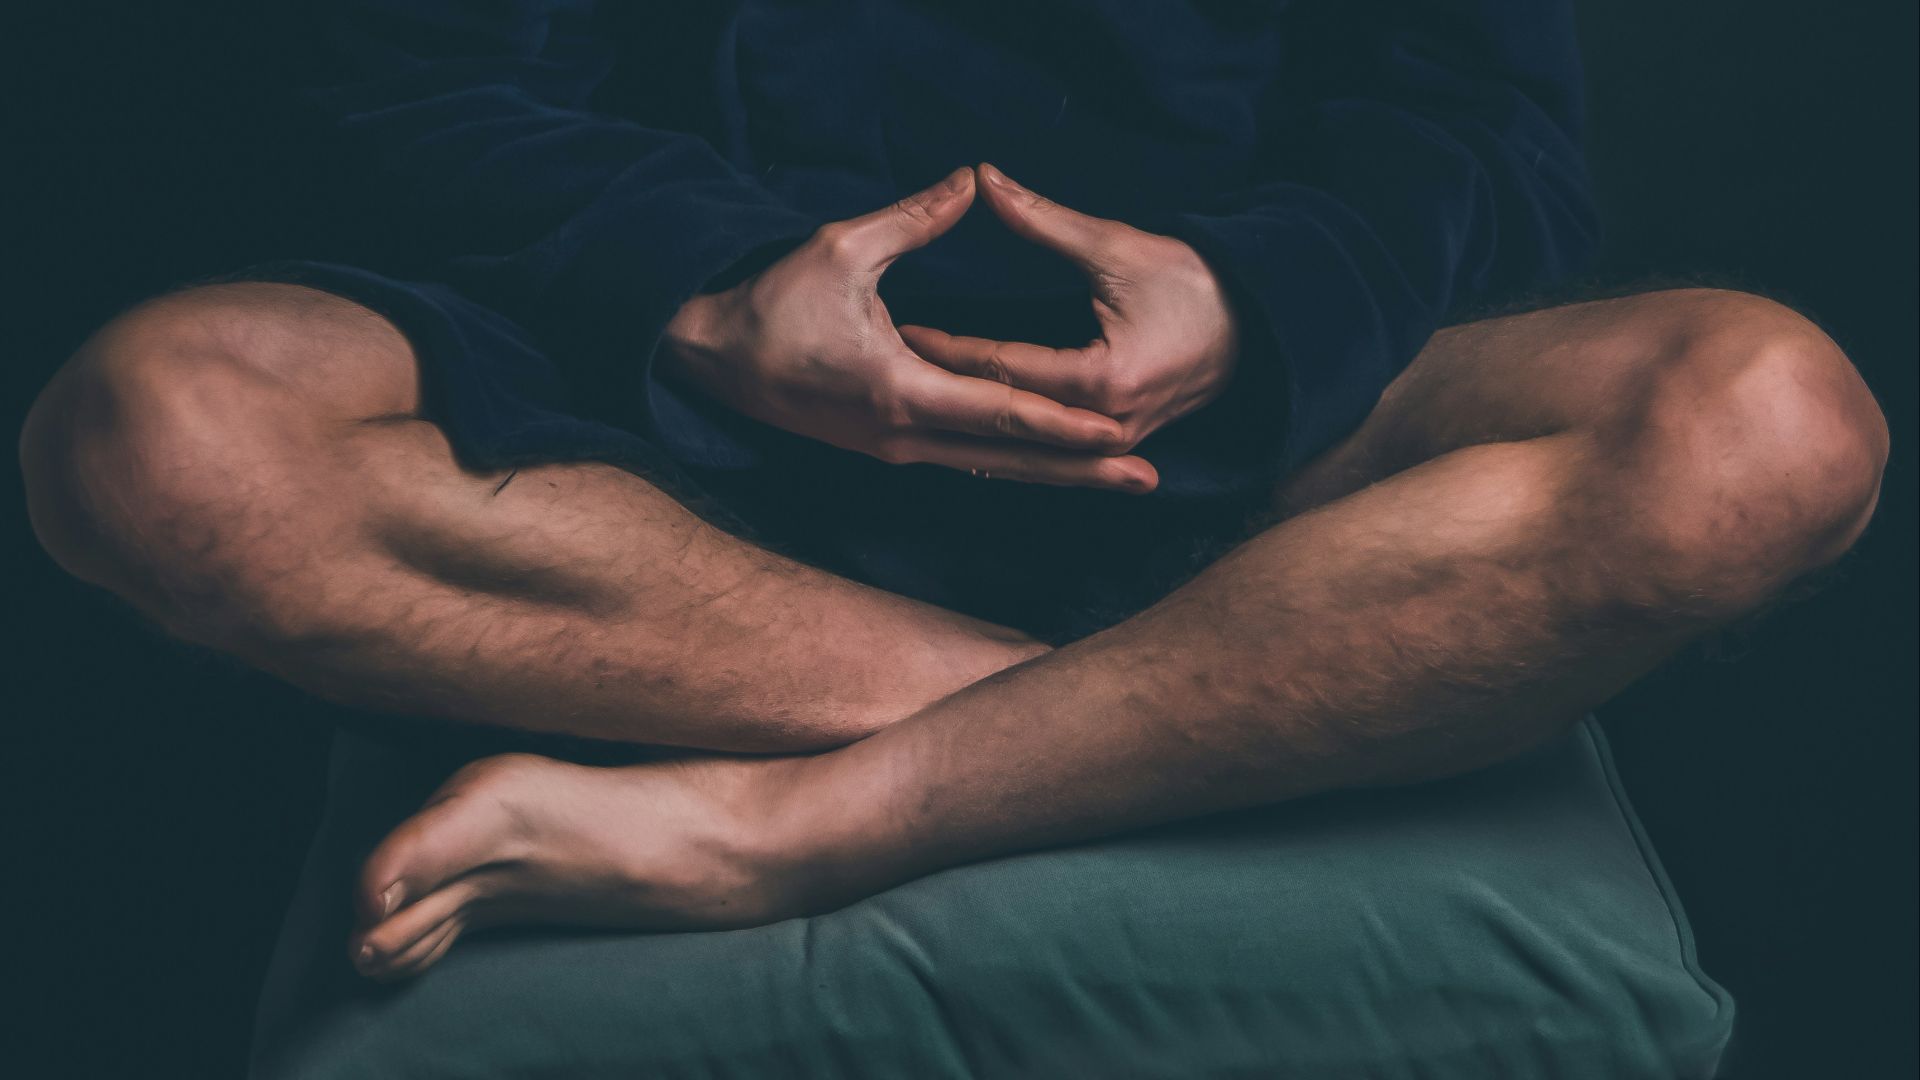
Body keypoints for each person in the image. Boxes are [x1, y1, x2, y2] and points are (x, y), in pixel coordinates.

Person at [19, 0, 1886, 982]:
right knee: (157, 438)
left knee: (1770, 426)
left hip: (1249, 431)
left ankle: (806, 823)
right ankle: (1199, 721)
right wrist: (706, 295)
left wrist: (1252, 302)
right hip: (667, 447)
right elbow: (403, 95)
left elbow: (1497, 140)